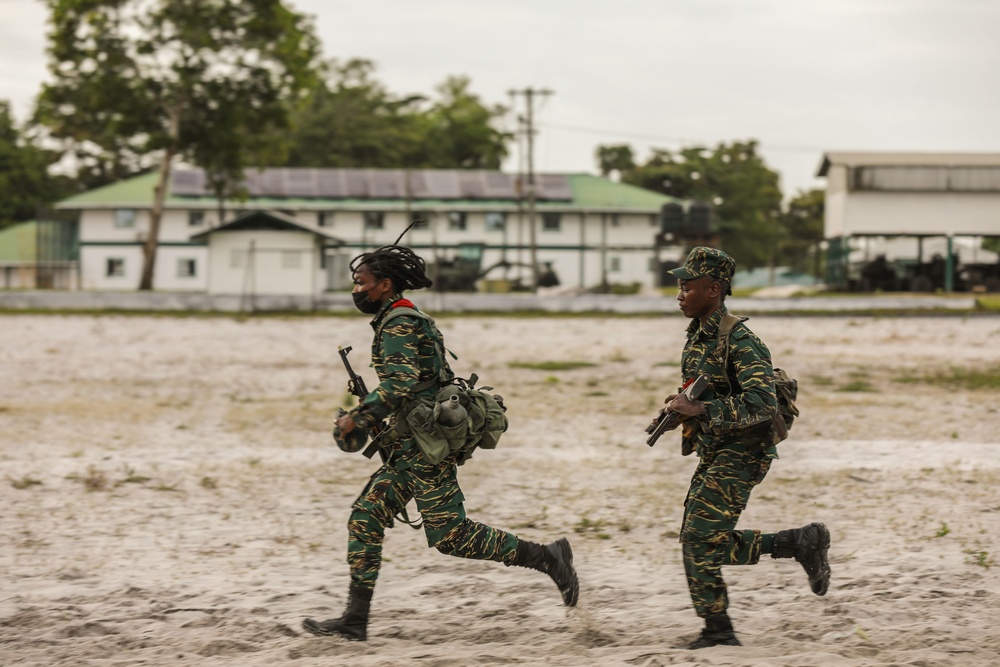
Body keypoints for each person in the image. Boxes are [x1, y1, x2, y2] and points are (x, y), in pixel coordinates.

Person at [303, 242, 578, 641]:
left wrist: (357, 418)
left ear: (384, 284)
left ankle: (548, 557)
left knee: (451, 535)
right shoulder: (398, 318)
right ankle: (354, 621)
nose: (356, 290)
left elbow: (399, 384)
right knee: (365, 518)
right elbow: (412, 388)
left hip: (424, 449)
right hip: (410, 448)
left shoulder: (399, 322)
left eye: (361, 282)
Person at [660, 246, 830, 649]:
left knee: (700, 541)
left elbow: (762, 403)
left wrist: (700, 406)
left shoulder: (740, 339)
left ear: (714, 289)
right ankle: (797, 542)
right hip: (718, 448)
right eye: (679, 286)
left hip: (745, 451)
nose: (680, 294)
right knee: (700, 540)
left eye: (688, 286)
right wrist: (681, 408)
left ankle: (718, 631)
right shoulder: (699, 336)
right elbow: (710, 390)